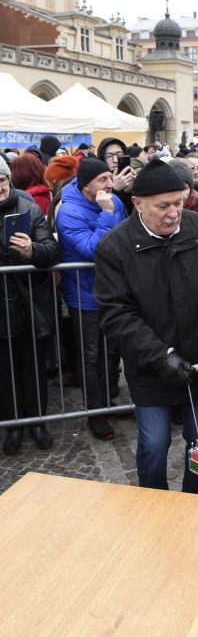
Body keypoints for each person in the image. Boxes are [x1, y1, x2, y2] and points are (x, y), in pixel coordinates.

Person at [94, 159, 198, 494]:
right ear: (138, 204)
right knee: (153, 446)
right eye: (163, 206)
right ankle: (154, 505)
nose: (174, 213)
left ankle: (191, 503)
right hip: (152, 369)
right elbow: (117, 315)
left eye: (179, 202)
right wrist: (161, 356)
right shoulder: (114, 247)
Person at [56, 158, 127, 441]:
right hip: (83, 294)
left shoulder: (112, 201)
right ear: (86, 185)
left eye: (109, 177)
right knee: (90, 356)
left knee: (110, 351)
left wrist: (111, 210)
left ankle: (108, 403)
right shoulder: (69, 211)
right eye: (102, 180)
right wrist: (107, 214)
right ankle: (95, 413)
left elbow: (122, 240)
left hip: (111, 290)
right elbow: (93, 250)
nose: (110, 184)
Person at [0, 158, 60, 454]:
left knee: (32, 366)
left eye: (1, 179)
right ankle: (12, 426)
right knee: (4, 370)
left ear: (8, 179)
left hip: (27, 303)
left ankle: (38, 422)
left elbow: (51, 250)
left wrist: (32, 250)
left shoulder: (28, 206)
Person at [97, 136, 137, 214]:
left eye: (119, 155)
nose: (115, 160)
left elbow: (132, 215)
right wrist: (115, 190)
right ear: (102, 158)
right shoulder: (96, 180)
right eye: (109, 156)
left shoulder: (132, 176)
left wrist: (129, 192)